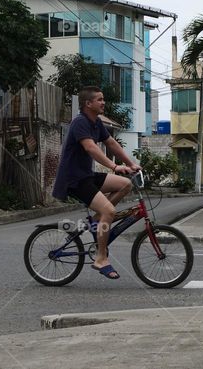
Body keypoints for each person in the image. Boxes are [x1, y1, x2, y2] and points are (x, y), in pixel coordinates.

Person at [52, 86, 141, 280]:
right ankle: (101, 258)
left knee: (125, 184)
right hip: (74, 179)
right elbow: (91, 148)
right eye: (99, 99)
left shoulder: (96, 123)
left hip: (87, 175)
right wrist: (113, 166)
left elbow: (111, 144)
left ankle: (96, 221)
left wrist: (130, 164)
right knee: (109, 211)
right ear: (88, 104)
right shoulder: (79, 123)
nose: (103, 102)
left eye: (103, 99)